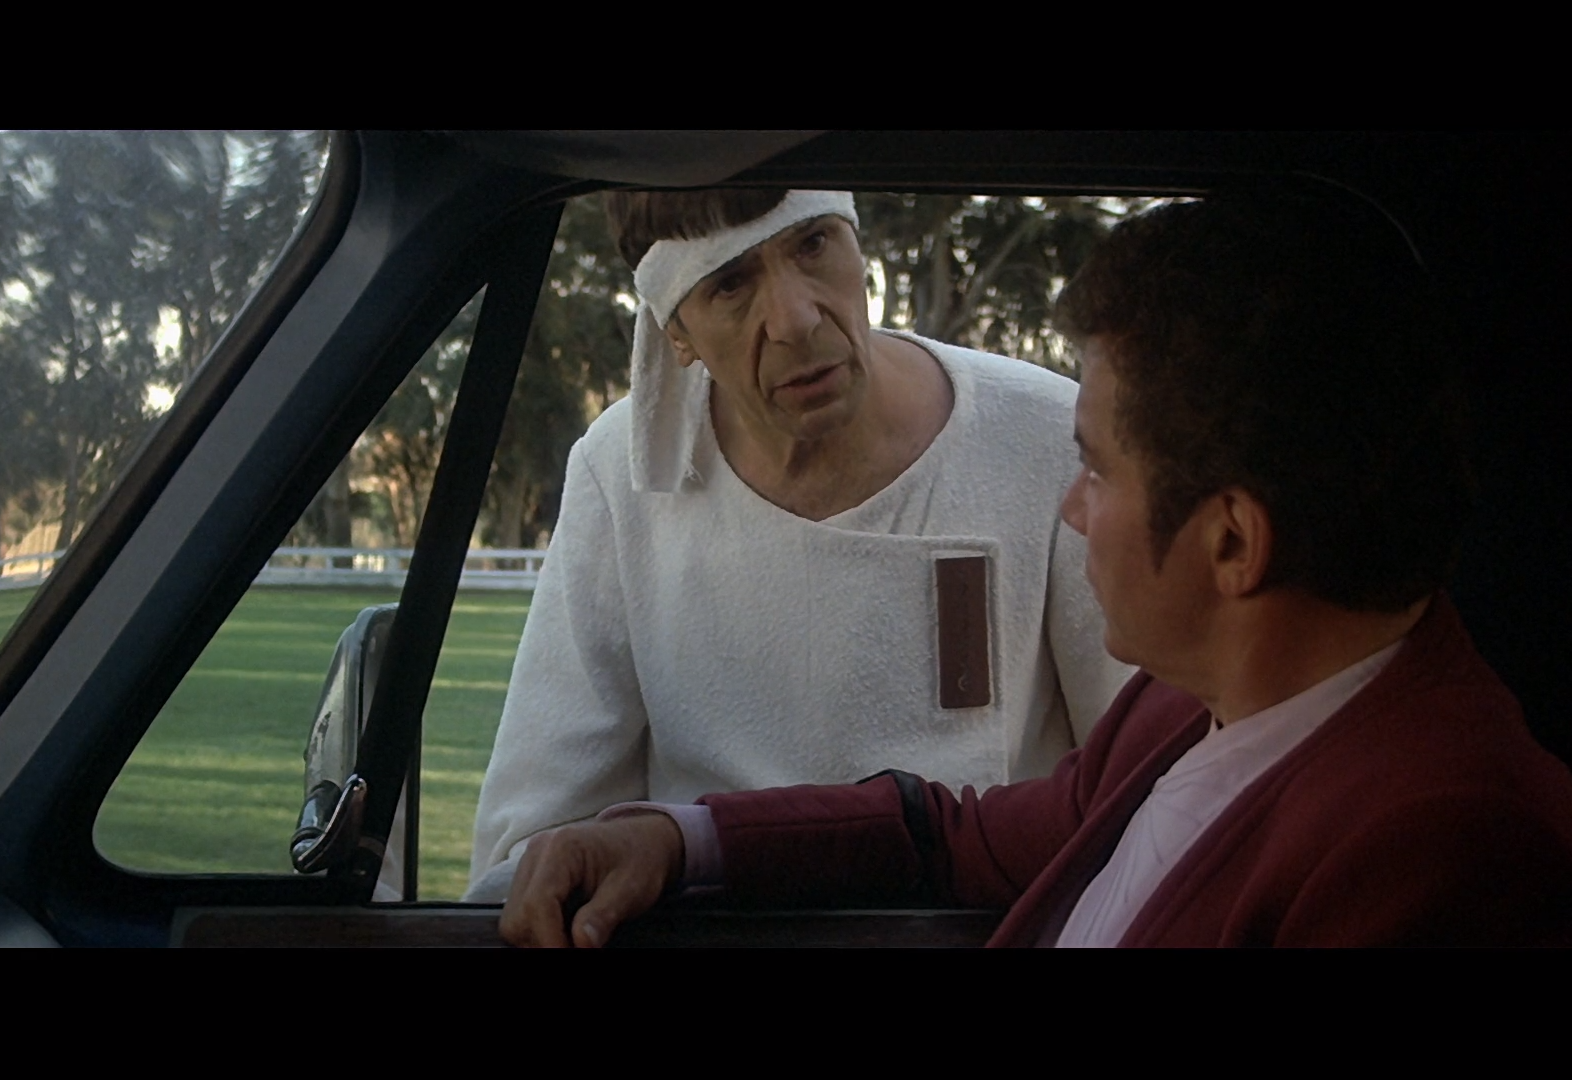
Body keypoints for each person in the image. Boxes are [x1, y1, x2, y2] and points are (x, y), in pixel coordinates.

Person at [497, 190, 1572, 947]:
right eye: (731, 284)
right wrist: (675, 836)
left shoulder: (1445, 857)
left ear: (1233, 543)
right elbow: (957, 832)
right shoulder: (1200, 719)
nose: (1065, 509)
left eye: (1093, 470)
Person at [464, 190, 1134, 900]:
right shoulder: (622, 475)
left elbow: (1140, 794)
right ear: (676, 333)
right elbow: (541, 841)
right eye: (730, 282)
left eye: (812, 245)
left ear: (856, 240)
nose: (796, 319)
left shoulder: (1045, 437)